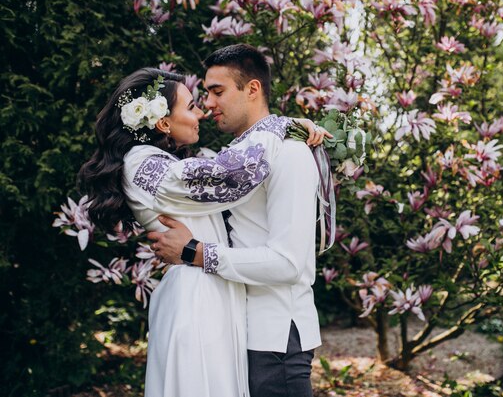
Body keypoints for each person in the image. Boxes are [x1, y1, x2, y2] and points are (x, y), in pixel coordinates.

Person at [78, 65, 327, 396]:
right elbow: (225, 175)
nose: (202, 113)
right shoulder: (140, 163)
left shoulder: (166, 161)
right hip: (195, 300)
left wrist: (289, 133)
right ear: (163, 122)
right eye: (191, 105)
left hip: (215, 294)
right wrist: (281, 127)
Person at [149, 43, 330, 397]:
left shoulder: (291, 155)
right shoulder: (235, 161)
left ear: (252, 89)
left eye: (218, 91)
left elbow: (288, 263)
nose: (209, 104)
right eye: (206, 94)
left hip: (275, 339)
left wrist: (194, 252)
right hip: (236, 336)